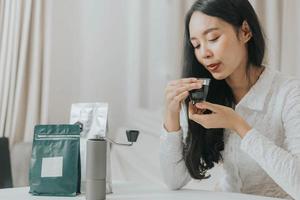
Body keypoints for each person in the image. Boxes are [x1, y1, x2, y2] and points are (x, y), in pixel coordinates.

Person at [160, 0, 300, 199]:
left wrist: (237, 124)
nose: (204, 53)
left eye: (213, 38)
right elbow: (173, 180)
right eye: (196, 45)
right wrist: (171, 115)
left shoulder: (290, 93)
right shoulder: (205, 95)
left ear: (245, 31)